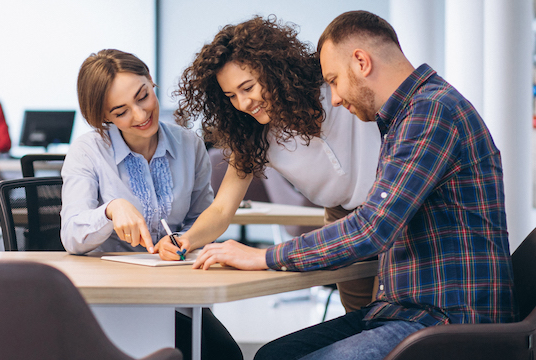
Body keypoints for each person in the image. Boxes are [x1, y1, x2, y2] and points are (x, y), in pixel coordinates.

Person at [192, 11, 517, 360]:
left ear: (361, 62)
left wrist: (264, 256)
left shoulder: (431, 113)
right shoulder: (405, 116)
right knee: (273, 355)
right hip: (404, 309)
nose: (332, 98)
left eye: (332, 80)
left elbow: (373, 228)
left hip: (447, 319)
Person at [170, 15, 381, 313]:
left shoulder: (332, 87)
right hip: (341, 219)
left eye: (248, 87)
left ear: (273, 70)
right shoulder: (253, 134)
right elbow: (220, 209)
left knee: (394, 319)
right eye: (231, 96)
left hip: (393, 205)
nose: (243, 104)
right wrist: (185, 240)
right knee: (361, 322)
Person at [60, 49, 242, 360]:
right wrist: (111, 209)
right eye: (121, 112)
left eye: (143, 96)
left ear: (151, 81)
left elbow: (202, 218)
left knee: (224, 355)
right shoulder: (87, 151)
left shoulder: (189, 144)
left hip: (175, 293)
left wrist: (182, 240)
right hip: (111, 299)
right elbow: (72, 236)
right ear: (104, 117)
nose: (141, 115)